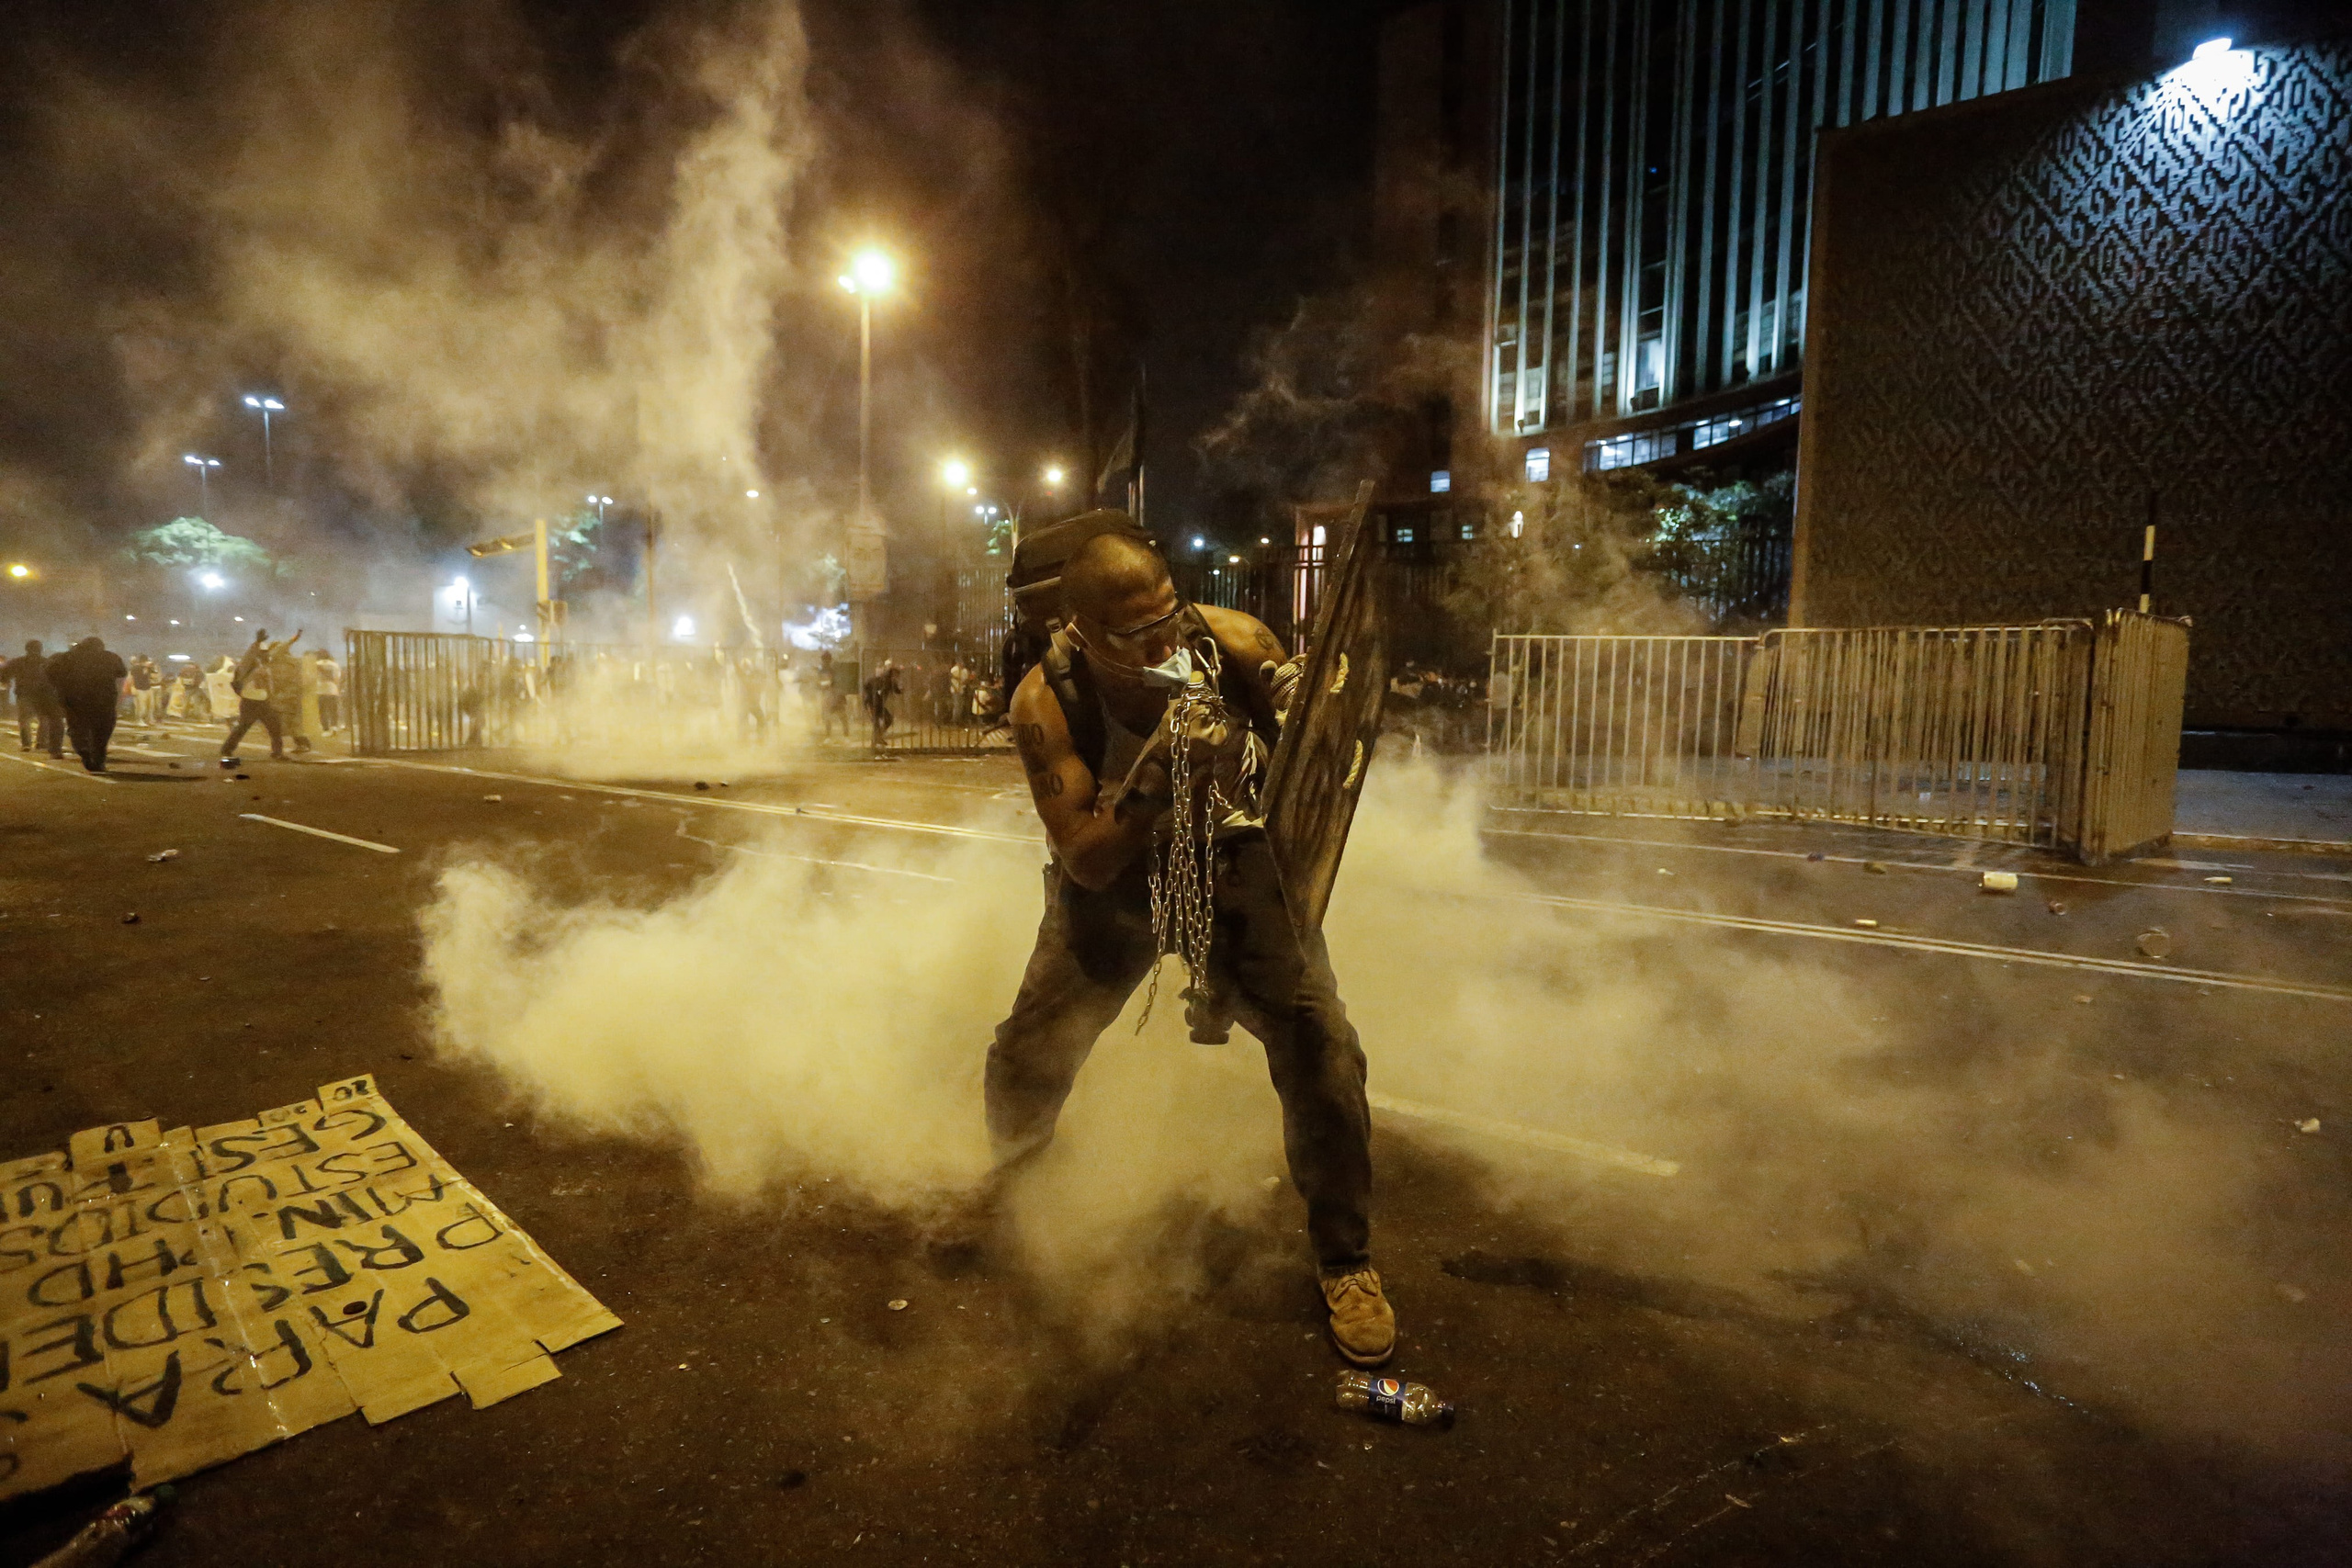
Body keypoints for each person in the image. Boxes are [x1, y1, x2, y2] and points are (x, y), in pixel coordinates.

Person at [986, 528, 1394, 1367]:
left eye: (1169, 618)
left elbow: (1320, 759)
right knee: (1030, 1046)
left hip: (1233, 864)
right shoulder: (1045, 701)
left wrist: (1304, 707)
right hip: (1118, 878)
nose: (1164, 645)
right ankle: (1016, 1191)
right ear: (1082, 633)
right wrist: (1156, 775)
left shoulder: (1236, 639)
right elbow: (1085, 859)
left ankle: (1346, 1259)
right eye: (1136, 638)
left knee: (1323, 1045)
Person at [47, 636, 129, 773]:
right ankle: (98, 760)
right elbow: (122, 672)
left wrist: (60, 686)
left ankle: (84, 751)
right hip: (103, 700)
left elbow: (49, 670)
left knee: (77, 727)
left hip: (75, 699)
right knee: (102, 731)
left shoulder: (67, 657)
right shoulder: (109, 657)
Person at [220, 629, 293, 765]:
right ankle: (226, 749)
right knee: (243, 727)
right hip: (250, 701)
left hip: (263, 701)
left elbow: (278, 651)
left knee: (275, 727)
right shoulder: (250, 664)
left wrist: (292, 640)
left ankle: (277, 753)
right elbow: (249, 655)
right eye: (264, 653)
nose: (267, 656)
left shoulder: (266, 666)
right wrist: (258, 642)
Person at [5, 639, 65, 757]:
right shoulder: (46, 662)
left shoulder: (18, 661)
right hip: (43, 694)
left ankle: (26, 743)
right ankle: (41, 742)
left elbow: (5, 673)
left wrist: (4, 680)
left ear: (27, 649)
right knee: (44, 718)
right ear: (40, 649)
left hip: (24, 693)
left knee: (24, 719)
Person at [314, 648, 343, 733]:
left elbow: (312, 676)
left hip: (320, 690)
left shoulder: (316, 664)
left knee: (322, 711)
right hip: (332, 689)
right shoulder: (334, 665)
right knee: (333, 709)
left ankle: (325, 728)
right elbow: (337, 678)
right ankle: (334, 726)